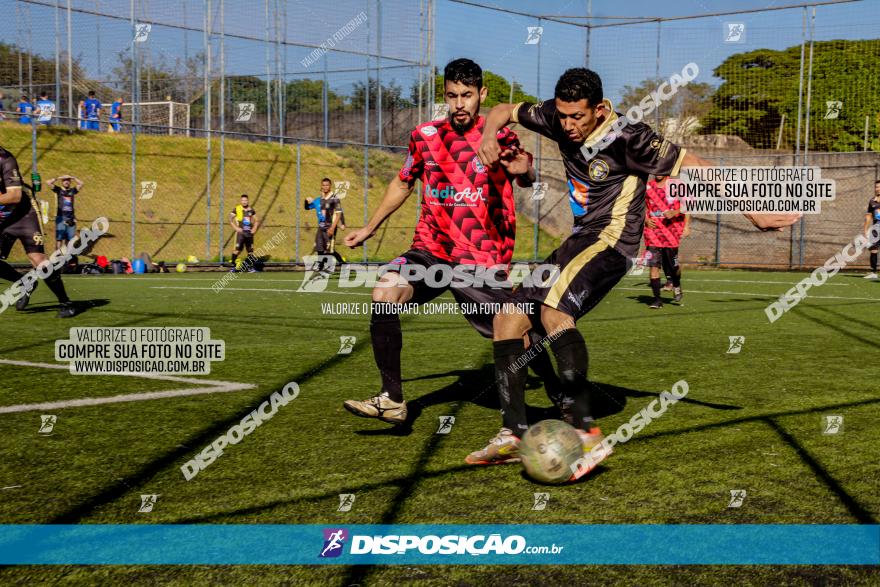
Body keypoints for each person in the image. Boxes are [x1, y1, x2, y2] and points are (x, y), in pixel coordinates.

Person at [472, 67, 799, 477]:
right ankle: (514, 432)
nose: (569, 125)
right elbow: (502, 108)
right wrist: (488, 138)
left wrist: (754, 211)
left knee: (555, 313)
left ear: (600, 108)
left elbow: (696, 164)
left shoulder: (629, 136)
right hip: (581, 238)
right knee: (508, 319)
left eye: (579, 117)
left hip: (612, 242)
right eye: (564, 115)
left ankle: (585, 433)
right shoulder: (554, 116)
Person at [341, 58, 556, 428]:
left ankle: (559, 393)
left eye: (467, 96)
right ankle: (392, 400)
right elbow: (404, 182)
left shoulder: (498, 135)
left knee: (517, 329)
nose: (460, 104)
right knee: (385, 291)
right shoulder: (425, 136)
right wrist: (370, 227)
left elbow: (523, 170)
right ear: (445, 95)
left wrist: (525, 171)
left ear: (482, 94)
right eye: (453, 95)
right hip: (430, 249)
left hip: (479, 258)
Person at [0, 145, 75, 317]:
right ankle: (25, 283)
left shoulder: (5, 158)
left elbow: (15, 196)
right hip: (3, 215)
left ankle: (66, 303)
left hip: (24, 212)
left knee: (38, 260)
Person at [644, 175, 689, 308]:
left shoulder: (676, 184)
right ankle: (657, 300)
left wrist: (676, 213)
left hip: (672, 232)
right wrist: (645, 220)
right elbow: (642, 207)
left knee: (673, 267)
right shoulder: (647, 187)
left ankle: (676, 284)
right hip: (653, 233)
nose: (658, 171)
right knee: (654, 266)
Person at [304, 178, 345, 270]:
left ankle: (344, 265)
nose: (325, 187)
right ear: (321, 186)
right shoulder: (320, 199)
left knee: (330, 250)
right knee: (319, 248)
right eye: (323, 185)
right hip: (321, 227)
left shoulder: (335, 198)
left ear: (330, 186)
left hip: (330, 227)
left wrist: (333, 228)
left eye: (327, 185)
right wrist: (306, 201)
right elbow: (308, 207)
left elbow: (339, 213)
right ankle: (321, 266)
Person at [47, 175, 84, 257]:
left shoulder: (72, 190)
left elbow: (81, 183)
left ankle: (66, 256)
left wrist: (73, 177)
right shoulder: (58, 190)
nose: (66, 182)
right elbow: (48, 182)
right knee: (59, 238)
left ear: (70, 182)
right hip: (60, 217)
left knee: (69, 239)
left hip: (71, 218)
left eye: (68, 180)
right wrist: (58, 178)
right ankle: (56, 256)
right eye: (64, 180)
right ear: (62, 182)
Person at [228, 194, 259, 272]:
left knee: (250, 251)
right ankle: (233, 266)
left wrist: (254, 228)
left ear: (248, 201)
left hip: (249, 234)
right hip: (241, 234)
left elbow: (257, 220)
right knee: (237, 250)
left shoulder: (251, 210)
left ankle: (249, 267)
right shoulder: (237, 208)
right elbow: (230, 219)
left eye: (245, 200)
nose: (244, 202)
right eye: (243, 200)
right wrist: (236, 228)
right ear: (240, 201)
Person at [863, 180, 880, 279]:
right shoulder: (872, 201)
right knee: (873, 249)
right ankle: (873, 273)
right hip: (876, 229)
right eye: (876, 187)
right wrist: (865, 229)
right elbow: (868, 216)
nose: (877, 189)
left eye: (879, 187)